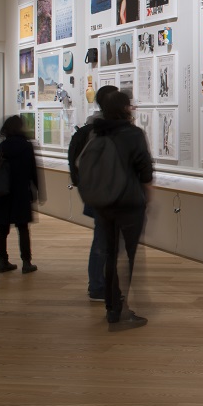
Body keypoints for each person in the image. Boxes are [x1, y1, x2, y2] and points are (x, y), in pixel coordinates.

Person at [90, 90, 154, 330]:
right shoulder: (133, 134)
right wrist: (148, 197)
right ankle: (122, 308)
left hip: (104, 203)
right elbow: (145, 171)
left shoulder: (98, 132)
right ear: (125, 109)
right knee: (129, 256)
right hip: (129, 203)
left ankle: (112, 307)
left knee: (110, 255)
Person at [68, 84, 117, 302]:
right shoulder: (99, 131)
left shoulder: (96, 128)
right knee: (102, 240)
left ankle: (104, 284)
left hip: (101, 192)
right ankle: (97, 286)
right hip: (104, 194)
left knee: (106, 239)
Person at [0, 115, 41, 274]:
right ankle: (26, 262)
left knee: (2, 229)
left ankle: (2, 261)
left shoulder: (1, 147)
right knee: (23, 228)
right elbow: (33, 171)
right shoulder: (26, 147)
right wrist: (38, 190)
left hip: (2, 192)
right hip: (21, 192)